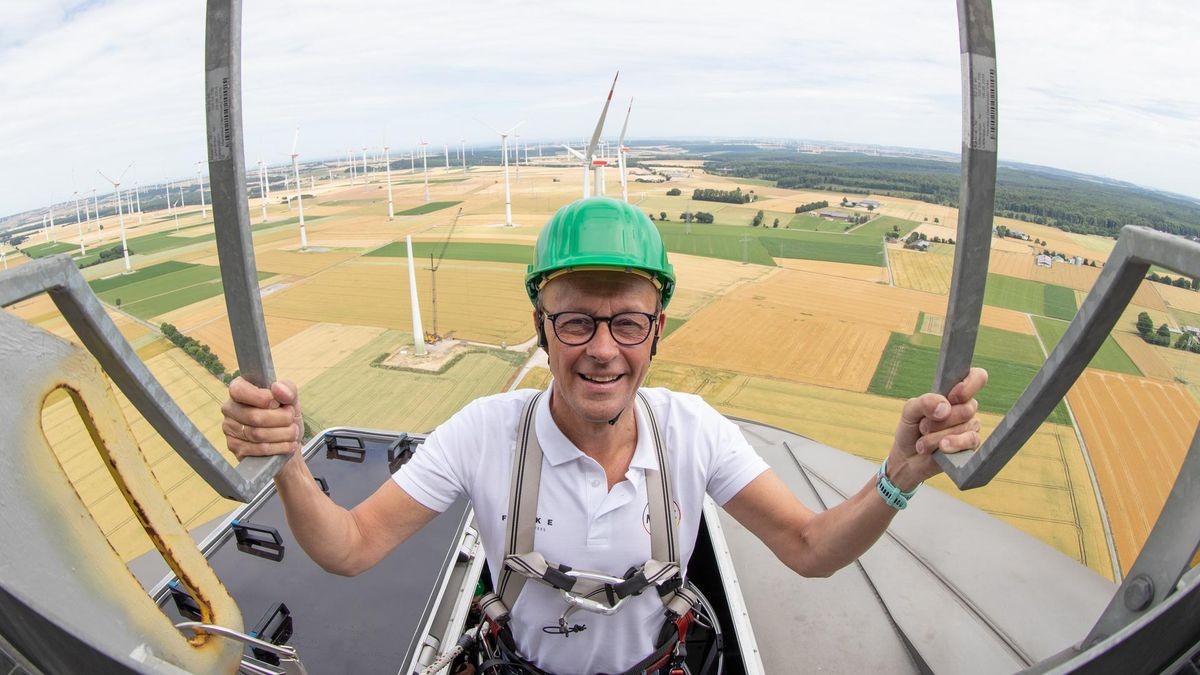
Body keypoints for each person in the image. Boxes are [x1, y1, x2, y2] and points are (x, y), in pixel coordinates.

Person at [222, 196, 986, 674]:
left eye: (626, 321)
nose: (601, 348)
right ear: (541, 329)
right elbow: (349, 548)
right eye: (576, 320)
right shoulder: (485, 432)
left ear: (657, 331)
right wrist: (286, 460)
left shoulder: (692, 432)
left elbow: (811, 547)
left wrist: (898, 475)